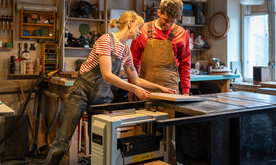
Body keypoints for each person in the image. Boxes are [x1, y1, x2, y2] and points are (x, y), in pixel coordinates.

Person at [45, 11, 177, 165]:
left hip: (102, 96)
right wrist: (134, 89)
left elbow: (136, 79)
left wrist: (160, 88)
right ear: (130, 24)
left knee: (99, 142)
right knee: (62, 140)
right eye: (139, 27)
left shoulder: (126, 51)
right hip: (81, 91)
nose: (140, 31)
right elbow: (107, 75)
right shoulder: (106, 40)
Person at [130, 0, 191, 95]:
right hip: (145, 89)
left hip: (171, 90)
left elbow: (185, 65)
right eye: (166, 20)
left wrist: (186, 91)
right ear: (159, 12)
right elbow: (133, 62)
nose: (168, 25)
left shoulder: (181, 33)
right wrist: (132, 88)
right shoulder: (143, 30)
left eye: (172, 22)